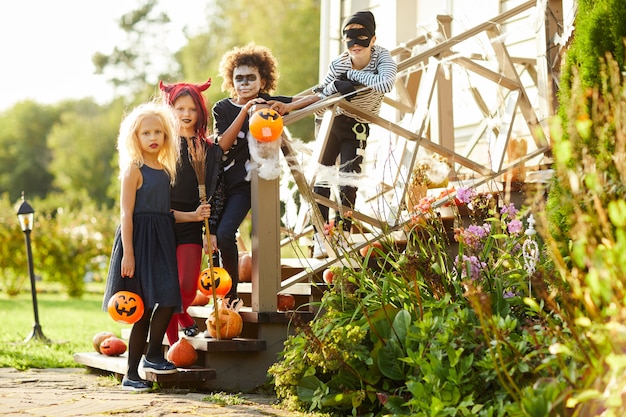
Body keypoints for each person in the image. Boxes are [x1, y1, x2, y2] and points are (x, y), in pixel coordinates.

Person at [102, 101, 212, 392]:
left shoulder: (164, 171)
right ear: (134, 138)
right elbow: (126, 213)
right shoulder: (133, 169)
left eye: (158, 133)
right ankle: (131, 373)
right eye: (146, 133)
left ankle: (153, 355)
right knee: (142, 308)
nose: (153, 138)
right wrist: (128, 253)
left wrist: (194, 215)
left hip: (162, 241)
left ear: (166, 137)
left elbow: (167, 213)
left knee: (168, 297)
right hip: (138, 243)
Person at [212, 43, 316, 308]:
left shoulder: (269, 102)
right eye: (239, 78)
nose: (245, 83)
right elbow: (222, 144)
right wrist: (246, 111)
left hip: (248, 186)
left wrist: (283, 108)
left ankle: (231, 296)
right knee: (214, 238)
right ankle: (222, 293)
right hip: (222, 184)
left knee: (227, 233)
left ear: (263, 79)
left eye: (251, 78)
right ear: (231, 81)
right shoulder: (222, 108)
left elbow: (309, 100)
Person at [293, 10, 397, 258]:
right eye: (350, 37)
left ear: (372, 39)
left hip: (358, 123)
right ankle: (321, 235)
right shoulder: (338, 62)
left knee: (349, 179)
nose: (355, 44)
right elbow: (321, 92)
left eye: (362, 37)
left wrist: (351, 76)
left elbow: (386, 84)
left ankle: (342, 233)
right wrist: (335, 86)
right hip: (331, 120)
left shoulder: (382, 57)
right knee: (323, 178)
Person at [159, 79, 227, 345]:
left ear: (200, 112)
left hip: (192, 223)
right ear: (170, 109)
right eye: (179, 108)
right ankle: (176, 344)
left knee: (187, 285)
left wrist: (212, 228)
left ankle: (181, 311)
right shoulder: (163, 146)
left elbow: (217, 191)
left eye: (192, 109)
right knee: (168, 285)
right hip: (163, 222)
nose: (186, 114)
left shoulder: (208, 150)